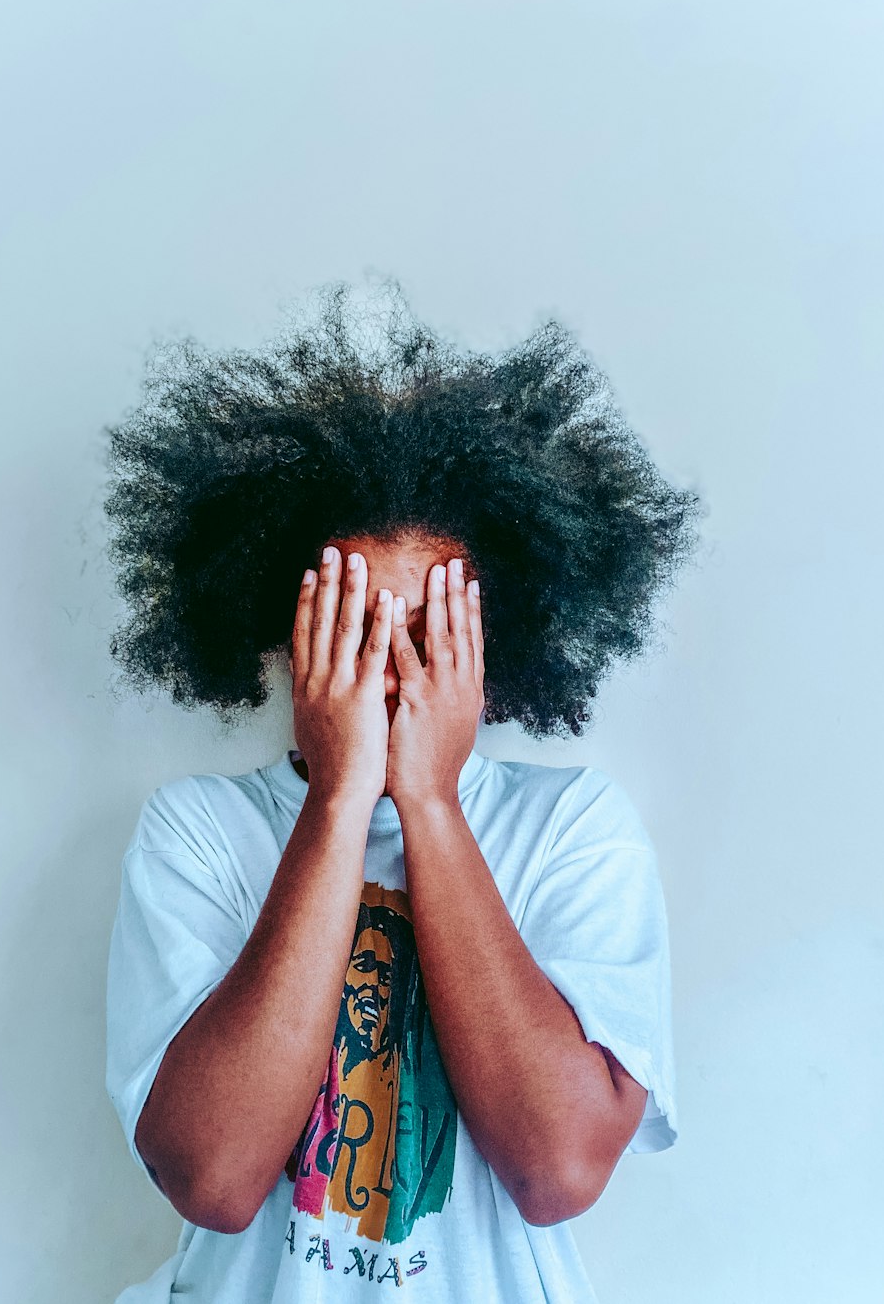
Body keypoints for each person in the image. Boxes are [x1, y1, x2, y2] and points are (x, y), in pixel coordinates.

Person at [102, 279, 702, 1302]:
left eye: (427, 634)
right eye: (353, 628)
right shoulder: (198, 831)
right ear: (288, 634)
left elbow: (556, 1170)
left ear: (489, 649)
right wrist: (339, 800)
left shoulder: (574, 829)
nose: (391, 670)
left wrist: (428, 802)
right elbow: (212, 1176)